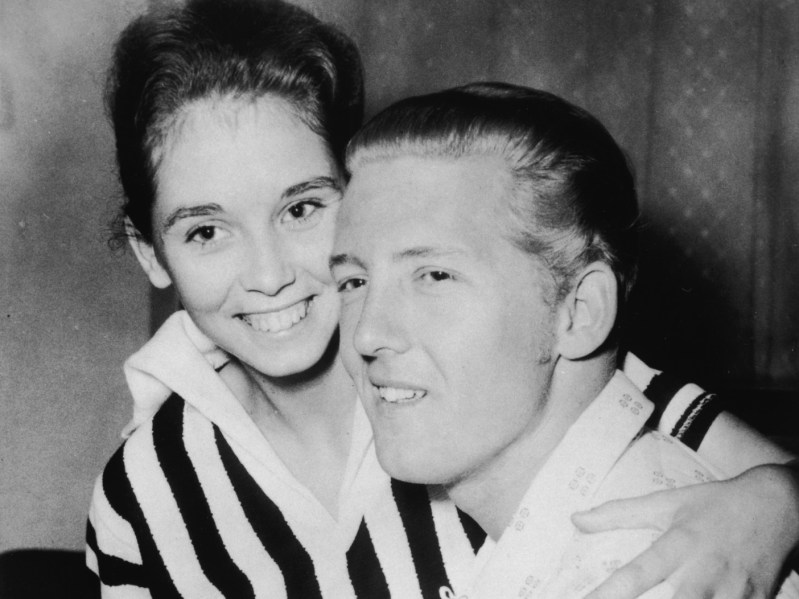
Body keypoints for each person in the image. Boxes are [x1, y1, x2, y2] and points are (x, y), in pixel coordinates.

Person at [87, 0, 798, 596]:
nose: (268, 273)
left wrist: (773, 504)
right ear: (151, 251)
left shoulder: (492, 372)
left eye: (302, 208)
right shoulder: (146, 489)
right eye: (207, 230)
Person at [332, 81, 799, 599]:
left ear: (580, 312)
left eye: (435, 276)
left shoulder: (637, 575)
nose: (367, 333)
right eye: (354, 282)